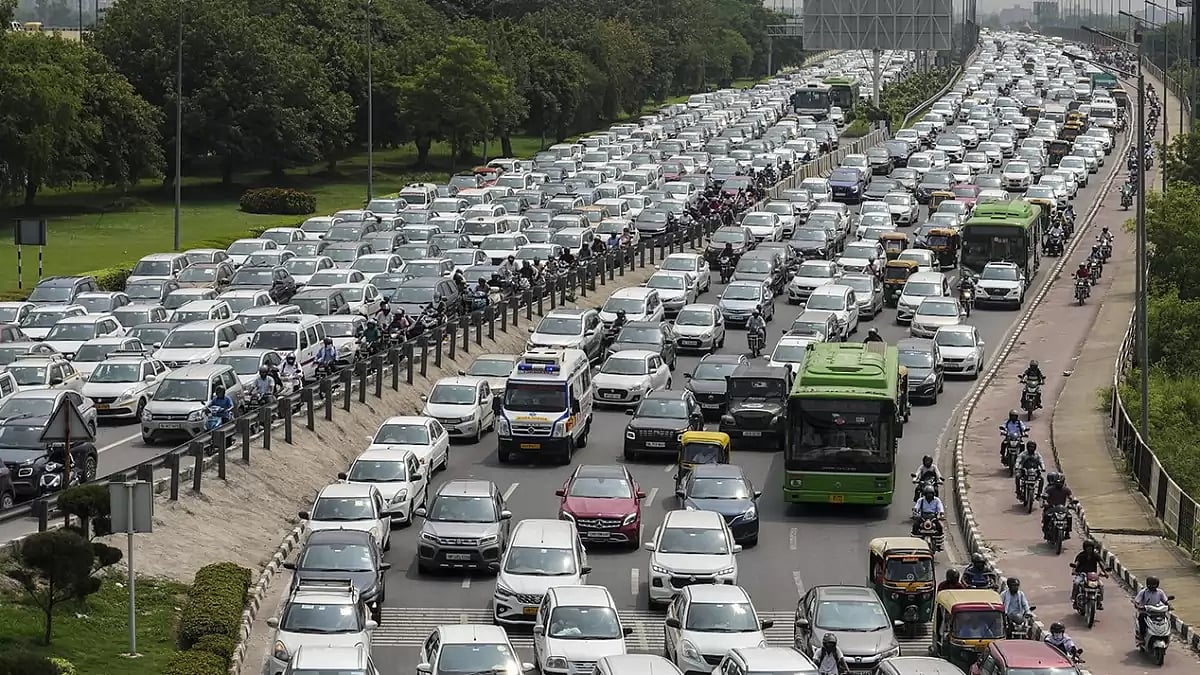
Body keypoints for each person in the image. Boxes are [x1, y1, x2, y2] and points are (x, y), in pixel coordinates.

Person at [1071, 540, 1105, 608]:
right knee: (1076, 583)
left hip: (1093, 575)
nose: (1089, 548)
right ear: (1085, 548)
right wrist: (1074, 570)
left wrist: (1105, 572)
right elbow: (1076, 563)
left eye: (1090, 547)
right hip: (1082, 574)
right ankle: (1074, 600)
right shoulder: (1081, 555)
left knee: (1101, 585)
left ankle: (1099, 602)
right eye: (1087, 547)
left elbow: (1101, 564)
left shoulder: (1095, 555)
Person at [1134, 575, 1170, 640]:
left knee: (1167, 619)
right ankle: (1142, 636)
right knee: (1142, 619)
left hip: (1157, 612)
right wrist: (1138, 606)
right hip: (1146, 612)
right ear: (1147, 584)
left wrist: (1169, 605)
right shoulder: (1143, 592)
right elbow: (1137, 601)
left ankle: (1166, 635)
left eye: (1154, 584)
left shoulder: (1160, 592)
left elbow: (1165, 601)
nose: (1151, 586)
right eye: (1150, 584)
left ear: (1157, 584)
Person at [1041, 471, 1074, 539]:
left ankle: (1067, 532)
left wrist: (1072, 503)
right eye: (1057, 482)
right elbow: (1045, 496)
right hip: (1051, 508)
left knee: (1069, 517)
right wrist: (1045, 502)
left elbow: (1071, 497)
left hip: (1062, 508)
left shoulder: (1066, 490)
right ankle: (1046, 530)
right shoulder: (1050, 489)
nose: (1059, 484)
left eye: (1060, 482)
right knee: (1046, 516)